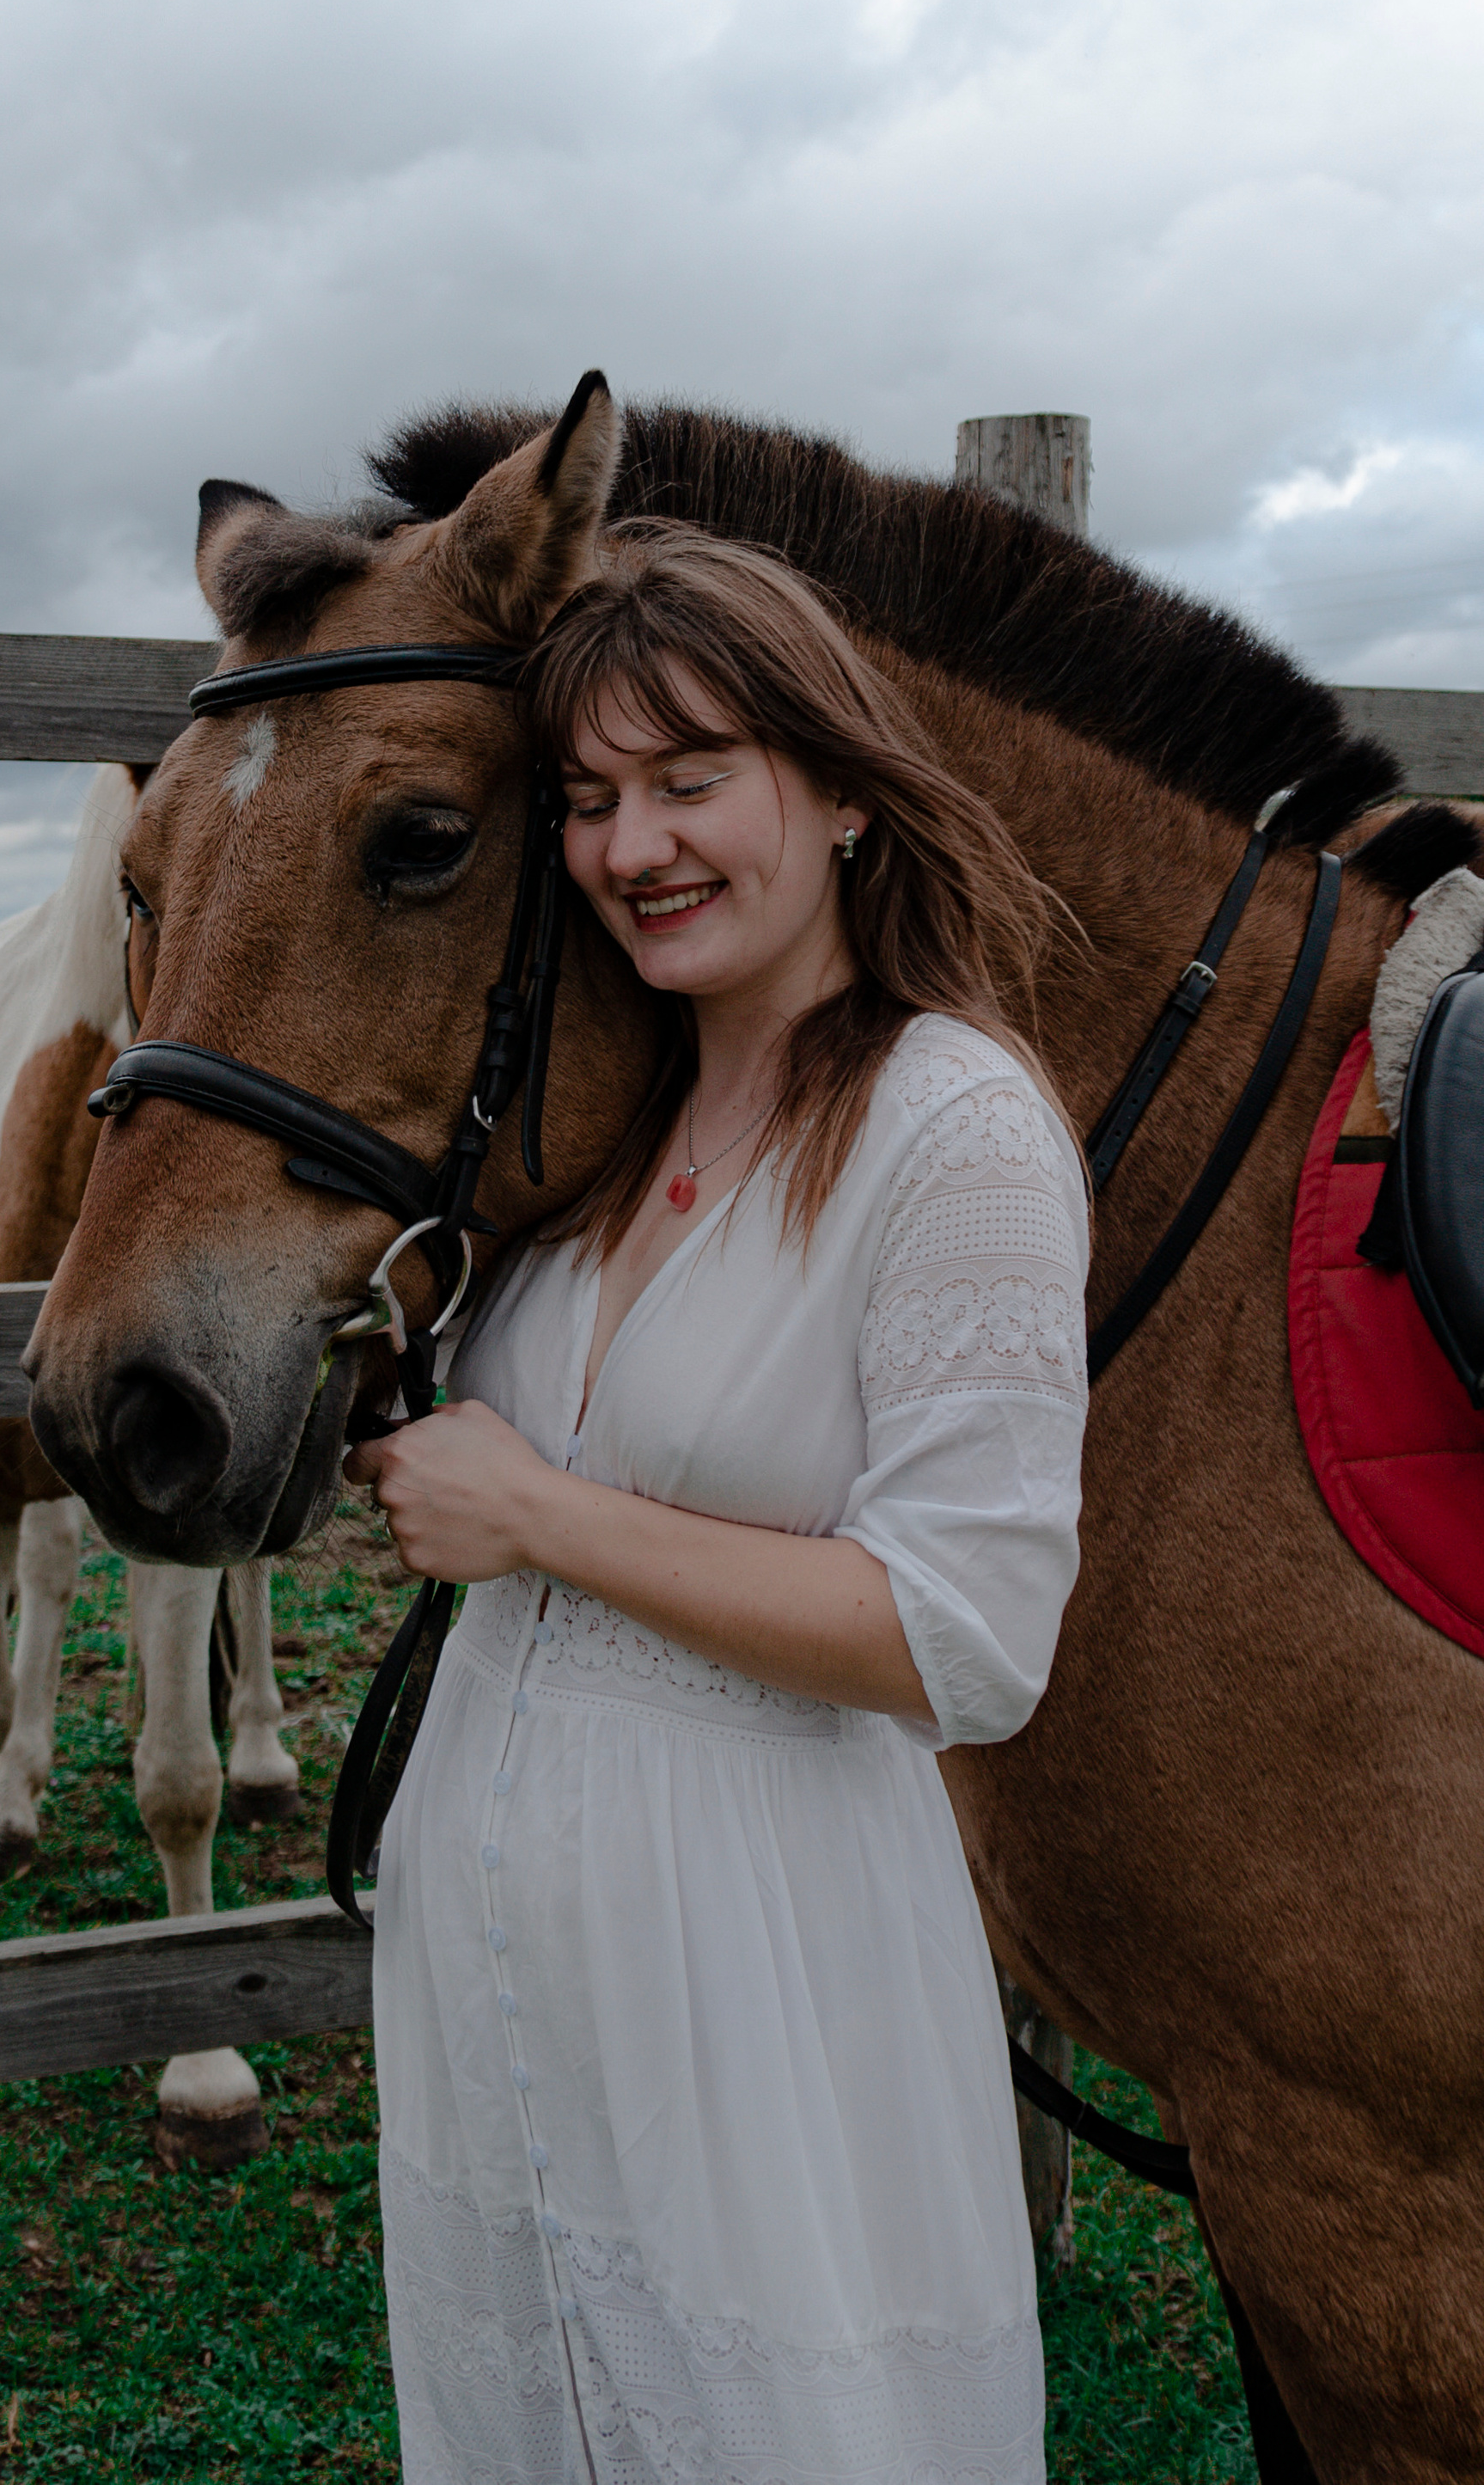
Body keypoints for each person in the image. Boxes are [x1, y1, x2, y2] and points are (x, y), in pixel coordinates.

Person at [345, 523, 1090, 2485]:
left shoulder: (954, 1128)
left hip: (759, 1964)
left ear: (839, 790)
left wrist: (535, 1517)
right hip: (487, 1957)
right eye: (588, 799)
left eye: (690, 780)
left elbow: (964, 1636)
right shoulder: (580, 1123)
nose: (629, 844)